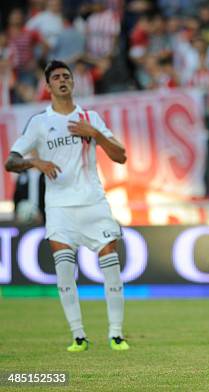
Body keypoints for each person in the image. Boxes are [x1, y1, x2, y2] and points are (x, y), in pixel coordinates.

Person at [4, 60, 129, 352]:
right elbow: (11, 162)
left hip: (93, 203)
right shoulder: (39, 123)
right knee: (64, 271)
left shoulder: (90, 118)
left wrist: (94, 134)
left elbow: (121, 156)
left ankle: (116, 334)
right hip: (59, 207)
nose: (62, 81)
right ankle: (78, 336)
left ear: (73, 83)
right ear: (47, 86)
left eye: (67, 76)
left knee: (111, 264)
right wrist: (34, 161)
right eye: (56, 77)